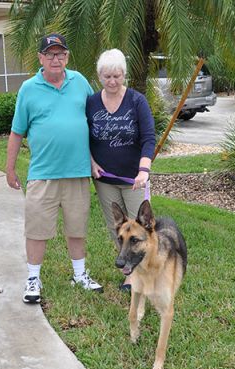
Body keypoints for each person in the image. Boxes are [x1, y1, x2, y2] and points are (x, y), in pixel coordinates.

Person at [6, 33, 103, 304]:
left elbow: (95, 122)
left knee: (77, 228)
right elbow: (17, 132)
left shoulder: (80, 82)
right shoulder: (28, 88)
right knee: (36, 230)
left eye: (60, 54)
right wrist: (10, 169)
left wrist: (95, 159)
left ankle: (79, 275)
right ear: (40, 58)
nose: (55, 59)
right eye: (50, 54)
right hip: (43, 174)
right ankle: (33, 279)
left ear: (67, 57)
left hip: (77, 172)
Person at [86, 49, 156, 291]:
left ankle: (142, 273)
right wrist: (91, 162)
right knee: (116, 228)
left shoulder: (137, 101)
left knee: (140, 229)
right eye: (107, 77)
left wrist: (143, 170)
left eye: (117, 76)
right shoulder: (92, 102)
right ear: (99, 76)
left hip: (134, 179)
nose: (112, 82)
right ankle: (129, 272)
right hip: (104, 180)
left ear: (124, 75)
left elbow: (148, 138)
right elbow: (82, 135)